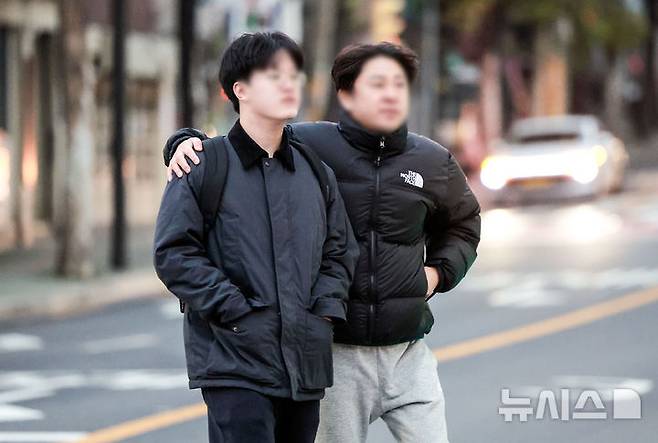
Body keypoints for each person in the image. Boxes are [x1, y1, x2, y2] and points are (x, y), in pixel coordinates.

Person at [162, 41, 481, 443]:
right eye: (377, 84)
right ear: (346, 95)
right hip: (336, 354)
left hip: (407, 351)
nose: (390, 95)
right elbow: (248, 138)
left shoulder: (432, 161)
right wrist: (184, 142)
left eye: (399, 84)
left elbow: (464, 223)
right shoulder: (311, 146)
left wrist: (437, 274)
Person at [153, 31, 358, 443]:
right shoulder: (203, 165)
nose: (289, 84)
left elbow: (339, 251)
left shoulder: (314, 171)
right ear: (240, 89)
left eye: (293, 75)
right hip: (234, 361)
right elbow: (174, 253)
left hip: (303, 363)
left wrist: (322, 315)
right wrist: (236, 312)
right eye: (273, 75)